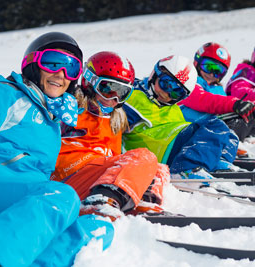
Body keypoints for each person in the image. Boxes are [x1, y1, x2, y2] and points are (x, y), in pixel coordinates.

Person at [0, 32, 114, 267]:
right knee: (62, 195)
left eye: (71, 69)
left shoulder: (53, 118)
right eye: (53, 63)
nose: (61, 75)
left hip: (27, 199)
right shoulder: (5, 92)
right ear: (33, 64)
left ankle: (9, 257)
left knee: (99, 229)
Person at [51, 51, 169, 217]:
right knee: (142, 156)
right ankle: (101, 200)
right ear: (89, 81)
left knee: (159, 169)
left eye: (122, 93)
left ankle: (139, 202)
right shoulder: (69, 108)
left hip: (95, 179)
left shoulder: (115, 120)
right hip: (66, 179)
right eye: (107, 89)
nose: (113, 98)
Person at [122, 55, 239, 180]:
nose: (167, 94)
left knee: (228, 133)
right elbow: (114, 129)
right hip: (159, 150)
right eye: (166, 84)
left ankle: (216, 160)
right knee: (214, 127)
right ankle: (185, 170)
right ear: (154, 75)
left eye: (177, 92)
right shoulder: (134, 99)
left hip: (173, 145)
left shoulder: (173, 107)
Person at [178, 42, 255, 141]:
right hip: (186, 130)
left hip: (208, 130)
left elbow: (223, 105)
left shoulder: (218, 90)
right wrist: (234, 104)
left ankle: (240, 140)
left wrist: (251, 106)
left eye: (218, 71)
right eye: (208, 67)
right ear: (197, 63)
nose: (212, 74)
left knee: (246, 116)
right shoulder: (187, 81)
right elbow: (202, 100)